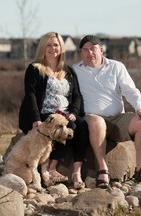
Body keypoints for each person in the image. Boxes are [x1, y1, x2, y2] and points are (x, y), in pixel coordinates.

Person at [72, 35, 141, 189]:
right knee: (96, 121)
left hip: (117, 118)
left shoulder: (116, 67)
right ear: (81, 53)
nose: (89, 53)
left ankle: (140, 168)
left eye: (93, 49)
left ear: (101, 50)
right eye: (85, 50)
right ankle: (102, 169)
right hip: (91, 121)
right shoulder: (75, 71)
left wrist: (140, 108)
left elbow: (130, 90)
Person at [19, 32, 89, 189]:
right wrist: (35, 118)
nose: (52, 48)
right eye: (48, 45)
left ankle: (76, 172)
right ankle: (51, 169)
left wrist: (74, 112)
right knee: (68, 127)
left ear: (61, 48)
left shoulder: (68, 71)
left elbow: (77, 95)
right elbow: (30, 95)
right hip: (44, 114)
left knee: (82, 125)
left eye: (56, 45)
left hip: (64, 113)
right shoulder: (35, 68)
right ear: (43, 47)